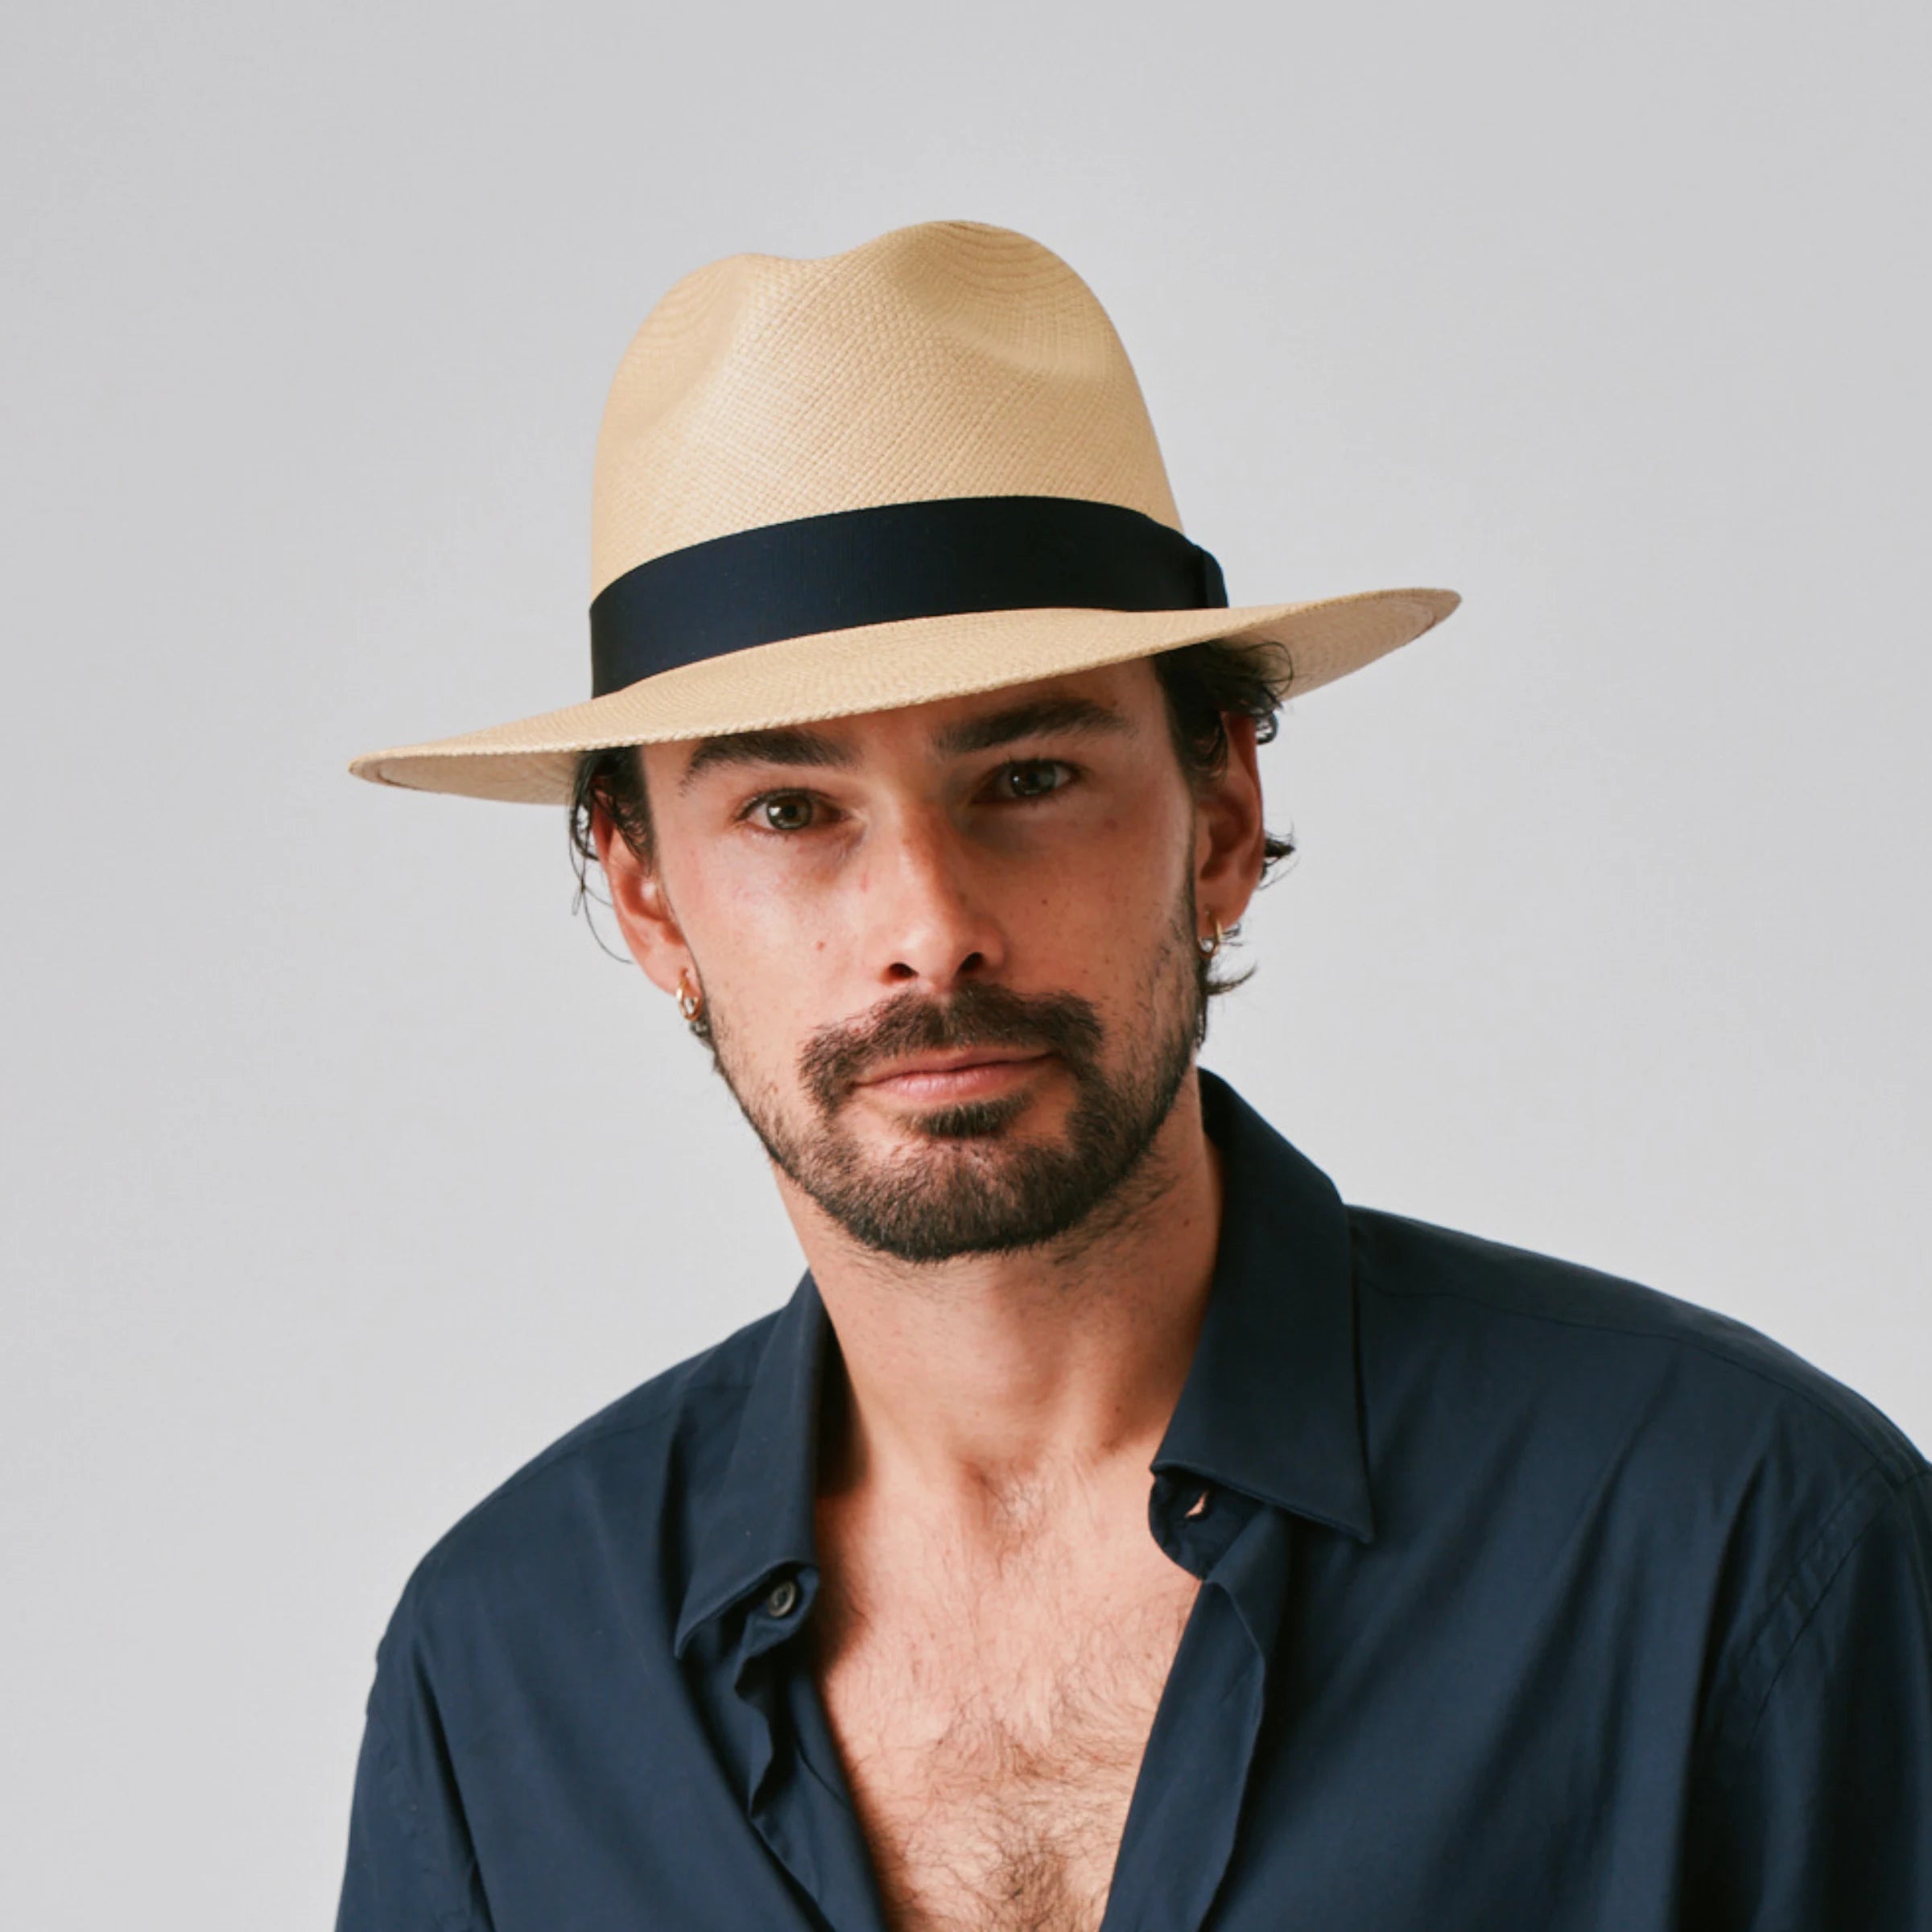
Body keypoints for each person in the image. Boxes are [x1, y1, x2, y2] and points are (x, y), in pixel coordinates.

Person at [338, 221, 1932, 1932]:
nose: (930, 932)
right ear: (651, 894)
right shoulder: (507, 1669)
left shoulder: (1731, 1542)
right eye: (790, 812)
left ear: (1221, 816)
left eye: (1027, 774)